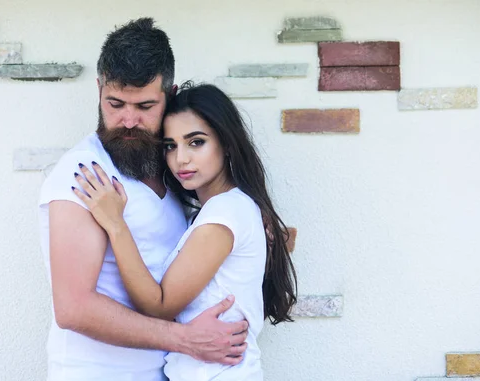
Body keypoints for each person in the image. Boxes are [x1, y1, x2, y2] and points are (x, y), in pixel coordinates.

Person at [38, 19, 248, 381]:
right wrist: (185, 340)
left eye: (146, 106)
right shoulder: (84, 173)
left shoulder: (170, 166)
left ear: (171, 94)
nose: (129, 120)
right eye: (115, 104)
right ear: (99, 88)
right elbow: (73, 308)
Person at [72, 82, 298, 380]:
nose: (181, 159)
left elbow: (159, 305)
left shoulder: (225, 213)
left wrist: (116, 224)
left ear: (227, 144)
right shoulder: (226, 210)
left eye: (196, 142)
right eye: (170, 145)